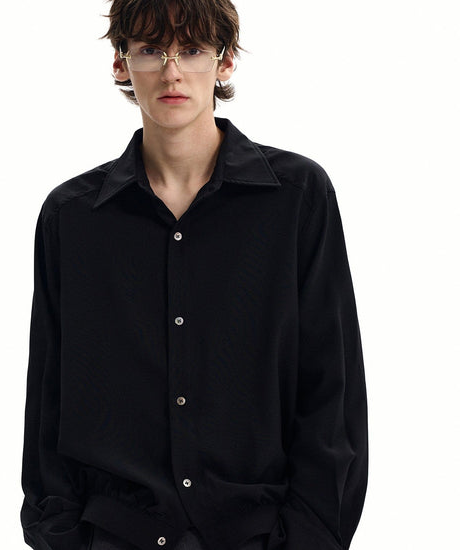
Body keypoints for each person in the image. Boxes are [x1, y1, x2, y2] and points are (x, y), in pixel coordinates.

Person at [19, 1, 369, 549]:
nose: (172, 72)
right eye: (151, 50)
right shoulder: (73, 216)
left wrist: (307, 537)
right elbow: (48, 395)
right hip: (113, 535)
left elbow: (333, 389)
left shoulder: (298, 198)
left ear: (224, 61)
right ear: (120, 62)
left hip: (260, 535)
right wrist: (61, 535)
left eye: (192, 50)